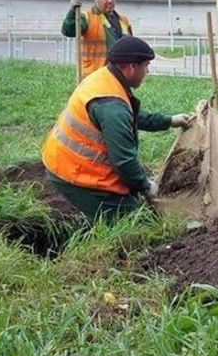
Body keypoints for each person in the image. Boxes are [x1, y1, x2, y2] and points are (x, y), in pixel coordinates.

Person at [41, 36, 191, 221]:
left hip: (63, 160)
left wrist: (169, 121)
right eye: (145, 65)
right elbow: (123, 161)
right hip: (75, 173)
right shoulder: (112, 107)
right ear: (131, 67)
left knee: (129, 203)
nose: (147, 71)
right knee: (142, 222)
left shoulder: (106, 78)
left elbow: (131, 115)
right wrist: (146, 186)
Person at [63, 0, 133, 78]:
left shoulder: (123, 20)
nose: (110, 1)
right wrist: (72, 11)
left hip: (118, 76)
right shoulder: (86, 17)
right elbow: (68, 30)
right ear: (96, 0)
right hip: (94, 77)